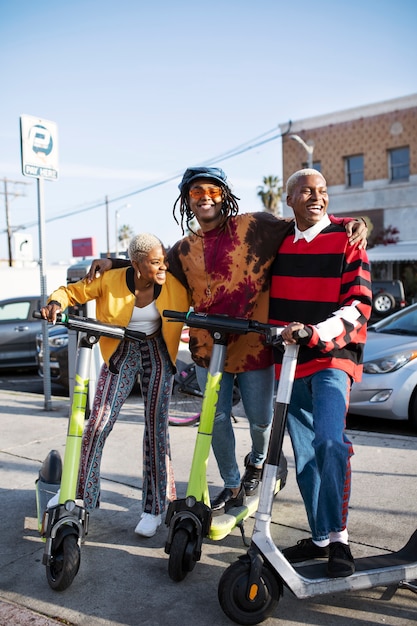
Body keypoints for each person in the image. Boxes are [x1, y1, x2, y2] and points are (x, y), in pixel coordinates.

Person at [86, 167, 367, 516]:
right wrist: (112, 262)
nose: (205, 197)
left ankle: (261, 465)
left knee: (262, 419)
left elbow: (309, 218)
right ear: (187, 200)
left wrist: (349, 223)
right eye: (196, 192)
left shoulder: (256, 226)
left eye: (213, 191)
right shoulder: (182, 249)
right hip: (208, 348)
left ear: (224, 195)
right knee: (215, 421)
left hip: (255, 346)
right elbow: (153, 269)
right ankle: (232, 484)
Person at [40, 233, 190, 538]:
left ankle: (155, 508)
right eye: (155, 262)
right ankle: (80, 494)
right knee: (98, 422)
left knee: (156, 429)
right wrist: (55, 302)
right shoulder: (110, 280)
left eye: (164, 260)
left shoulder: (173, 284)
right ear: (136, 264)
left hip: (158, 349)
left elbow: (203, 299)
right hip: (122, 349)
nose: (163, 267)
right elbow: (73, 292)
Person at [269, 168, 372, 577]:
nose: (318, 198)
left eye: (324, 192)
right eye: (308, 191)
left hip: (332, 358)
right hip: (289, 365)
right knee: (306, 456)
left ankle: (339, 540)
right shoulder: (276, 242)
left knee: (330, 442)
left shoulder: (346, 241)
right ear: (290, 198)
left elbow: (358, 306)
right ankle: (319, 537)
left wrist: (313, 333)